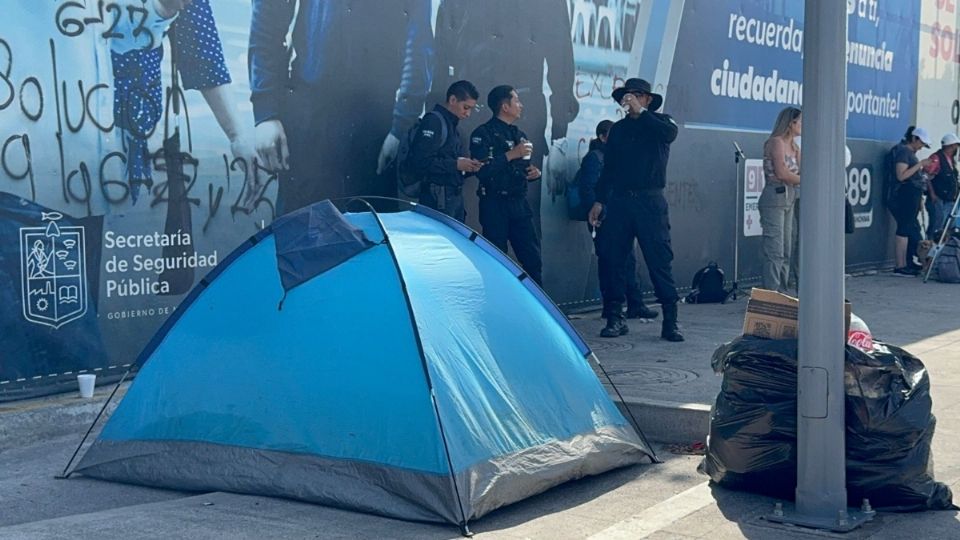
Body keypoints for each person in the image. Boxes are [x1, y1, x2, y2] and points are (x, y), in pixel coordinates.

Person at [249, 0, 433, 214]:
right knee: (302, 232)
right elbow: (268, 22)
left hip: (374, 126)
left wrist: (401, 127)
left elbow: (419, 39)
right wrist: (266, 113)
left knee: (371, 234)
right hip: (310, 120)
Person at [588, 78, 683, 342]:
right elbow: (609, 169)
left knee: (658, 258)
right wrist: (599, 200)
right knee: (614, 258)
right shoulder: (617, 130)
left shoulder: (661, 123)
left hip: (650, 201)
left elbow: (669, 135)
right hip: (619, 201)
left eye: (636, 95)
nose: (630, 99)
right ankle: (616, 317)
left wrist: (642, 114)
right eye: (626, 95)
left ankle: (671, 320)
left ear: (647, 99)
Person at [579, 120, 659, 322]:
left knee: (629, 261)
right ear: (603, 137)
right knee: (609, 264)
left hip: (621, 217)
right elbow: (589, 189)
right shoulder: (594, 158)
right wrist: (599, 211)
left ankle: (635, 303)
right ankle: (611, 308)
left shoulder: (618, 158)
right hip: (603, 219)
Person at [470, 85, 543, 285]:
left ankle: (538, 311)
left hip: (518, 203)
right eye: (516, 101)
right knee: (496, 260)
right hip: (494, 203)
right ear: (504, 106)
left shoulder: (519, 135)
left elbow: (522, 166)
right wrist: (511, 155)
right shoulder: (483, 133)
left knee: (532, 259)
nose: (521, 105)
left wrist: (532, 173)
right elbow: (482, 170)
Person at [407, 81, 483, 221]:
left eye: (471, 109)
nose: (468, 114)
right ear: (453, 100)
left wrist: (468, 167)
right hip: (438, 197)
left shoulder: (453, 126)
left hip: (453, 197)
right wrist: (456, 165)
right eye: (466, 107)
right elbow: (420, 162)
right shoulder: (434, 121)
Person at [759, 107, 802, 293]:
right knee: (775, 249)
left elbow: (801, 171)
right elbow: (782, 172)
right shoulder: (776, 143)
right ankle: (772, 293)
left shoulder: (795, 147)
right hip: (775, 195)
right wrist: (804, 180)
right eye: (800, 121)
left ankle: (782, 292)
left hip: (790, 196)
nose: (802, 126)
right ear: (790, 123)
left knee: (787, 248)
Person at [888, 126, 934, 275]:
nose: (921, 148)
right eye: (921, 143)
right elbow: (901, 175)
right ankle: (900, 265)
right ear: (914, 139)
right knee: (904, 228)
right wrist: (920, 165)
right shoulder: (904, 152)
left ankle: (908, 262)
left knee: (910, 229)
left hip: (912, 196)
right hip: (903, 196)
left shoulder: (909, 153)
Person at [925, 133, 960, 238]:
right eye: (955, 145)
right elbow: (926, 176)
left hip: (949, 199)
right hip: (938, 198)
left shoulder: (951, 160)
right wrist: (932, 194)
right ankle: (930, 249)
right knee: (937, 225)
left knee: (948, 226)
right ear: (951, 145)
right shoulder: (936, 158)